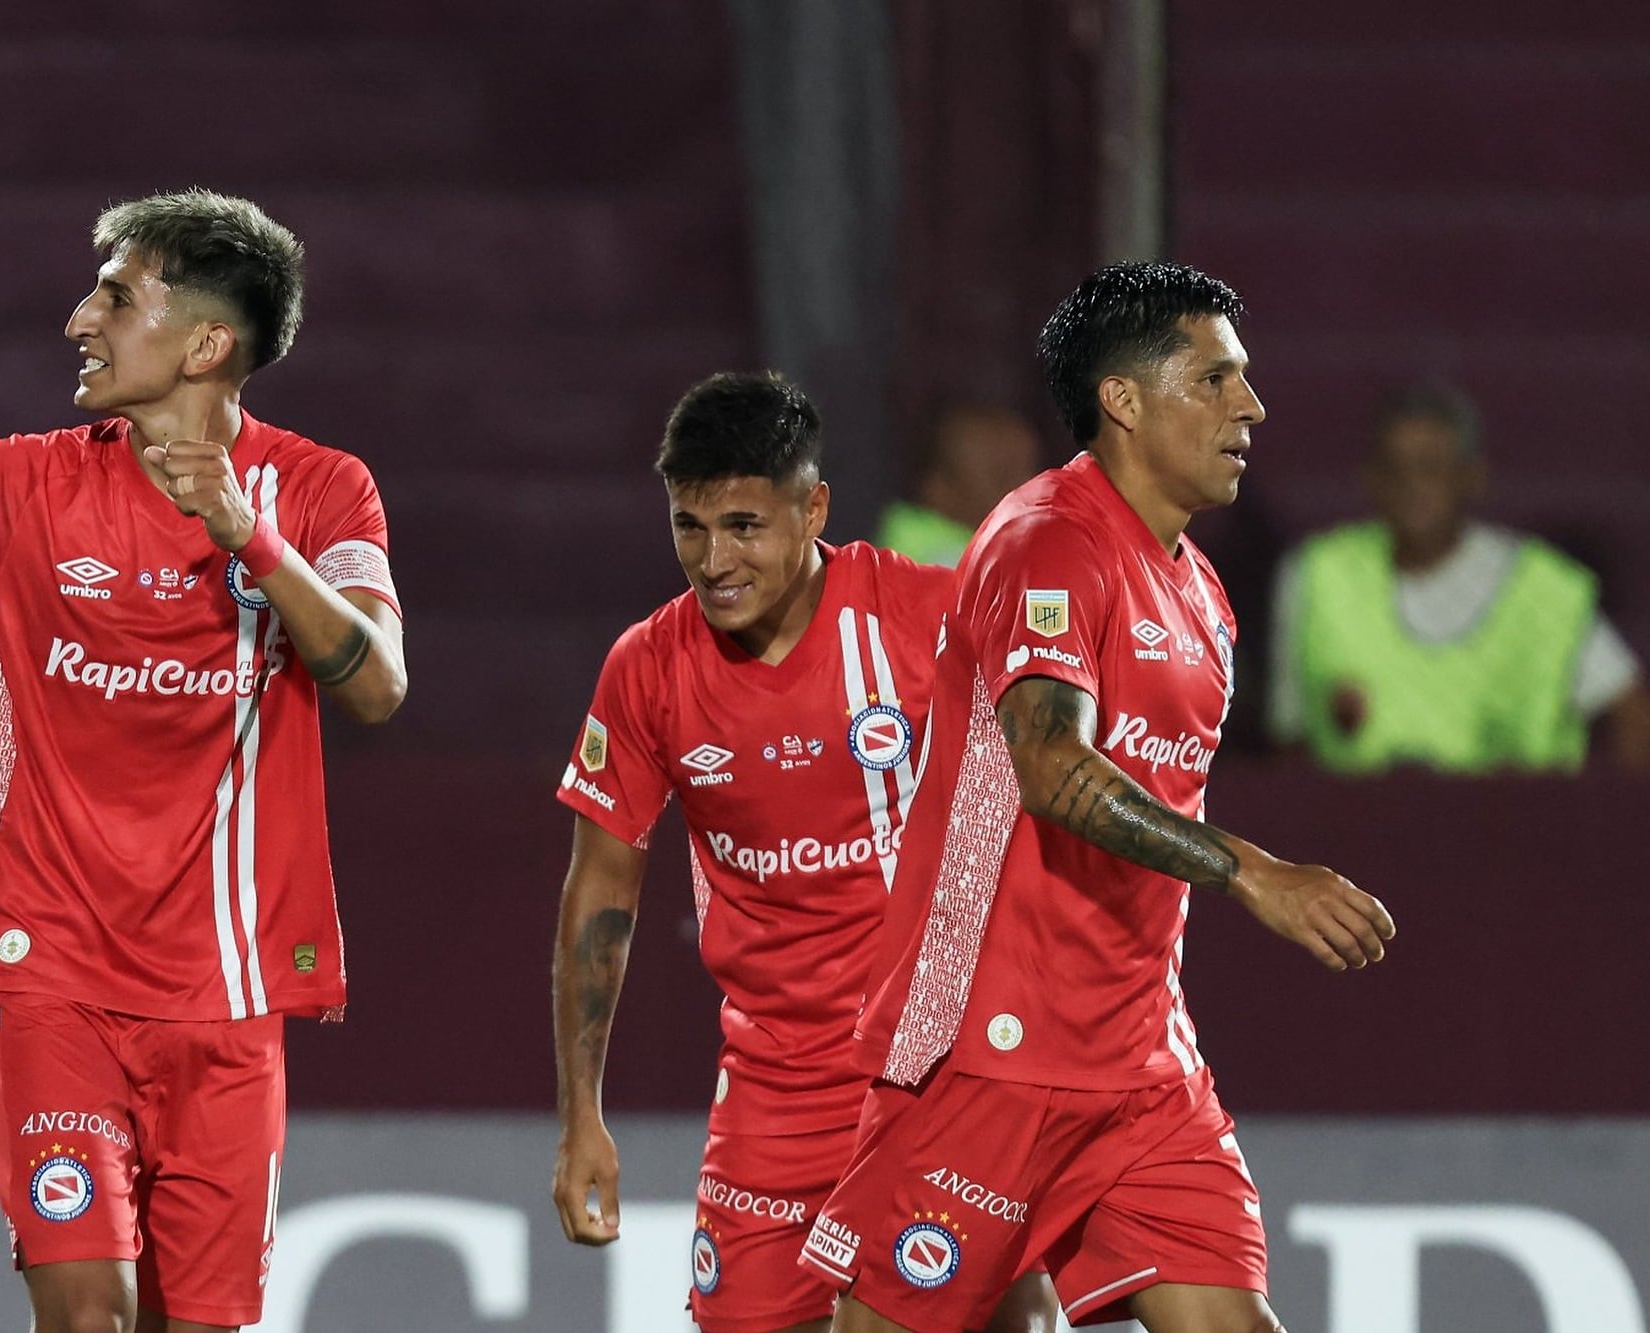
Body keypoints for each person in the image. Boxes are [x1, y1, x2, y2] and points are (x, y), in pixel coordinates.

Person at [0, 189, 406, 1333]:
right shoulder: (11, 484)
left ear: (204, 344)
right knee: (88, 1312)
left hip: (227, 992)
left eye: (114, 297)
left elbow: (377, 683)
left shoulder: (320, 490)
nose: (76, 321)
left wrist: (250, 539)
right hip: (46, 972)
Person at [798, 262, 1396, 1333]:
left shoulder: (1202, 593)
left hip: (1140, 1064)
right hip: (988, 1046)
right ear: (1122, 399)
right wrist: (1251, 871)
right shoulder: (1048, 542)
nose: (1251, 407)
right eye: (1214, 379)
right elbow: (1051, 769)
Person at [550, 372, 1056, 1333]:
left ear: (813, 508)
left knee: (1004, 1316)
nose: (714, 561)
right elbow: (601, 892)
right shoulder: (649, 669)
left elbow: (1052, 781)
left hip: (937, 1072)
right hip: (775, 1089)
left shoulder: (928, 617)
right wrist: (582, 1114)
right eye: (690, 527)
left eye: (743, 526)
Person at [1268, 382, 1650, 773]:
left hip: (1514, 811)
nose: (1412, 487)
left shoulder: (1546, 591)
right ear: (1372, 480)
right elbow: (1290, 742)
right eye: (1395, 470)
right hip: (1361, 812)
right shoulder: (1317, 575)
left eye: (1430, 469)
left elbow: (1633, 716)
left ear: (1472, 477)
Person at [873, 404, 1043, 567]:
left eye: (1032, 470)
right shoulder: (936, 557)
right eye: (1002, 476)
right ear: (939, 491)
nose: (1030, 489)